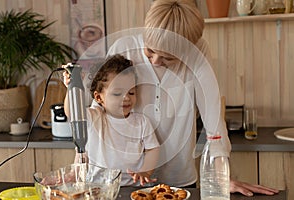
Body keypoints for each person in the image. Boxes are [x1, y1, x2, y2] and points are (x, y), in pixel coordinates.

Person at [105, 0, 279, 196]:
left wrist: (219, 176)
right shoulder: (124, 48)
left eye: (167, 58)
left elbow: (212, 111)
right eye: (150, 50)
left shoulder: (197, 52)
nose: (155, 61)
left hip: (179, 179)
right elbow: (100, 111)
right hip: (129, 178)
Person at [63, 54, 160, 186]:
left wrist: (145, 172)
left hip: (132, 187)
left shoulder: (142, 122)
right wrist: (71, 88)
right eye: (117, 93)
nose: (126, 98)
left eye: (131, 92)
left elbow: (152, 149)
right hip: (98, 188)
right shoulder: (95, 117)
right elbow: (72, 112)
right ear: (98, 98)